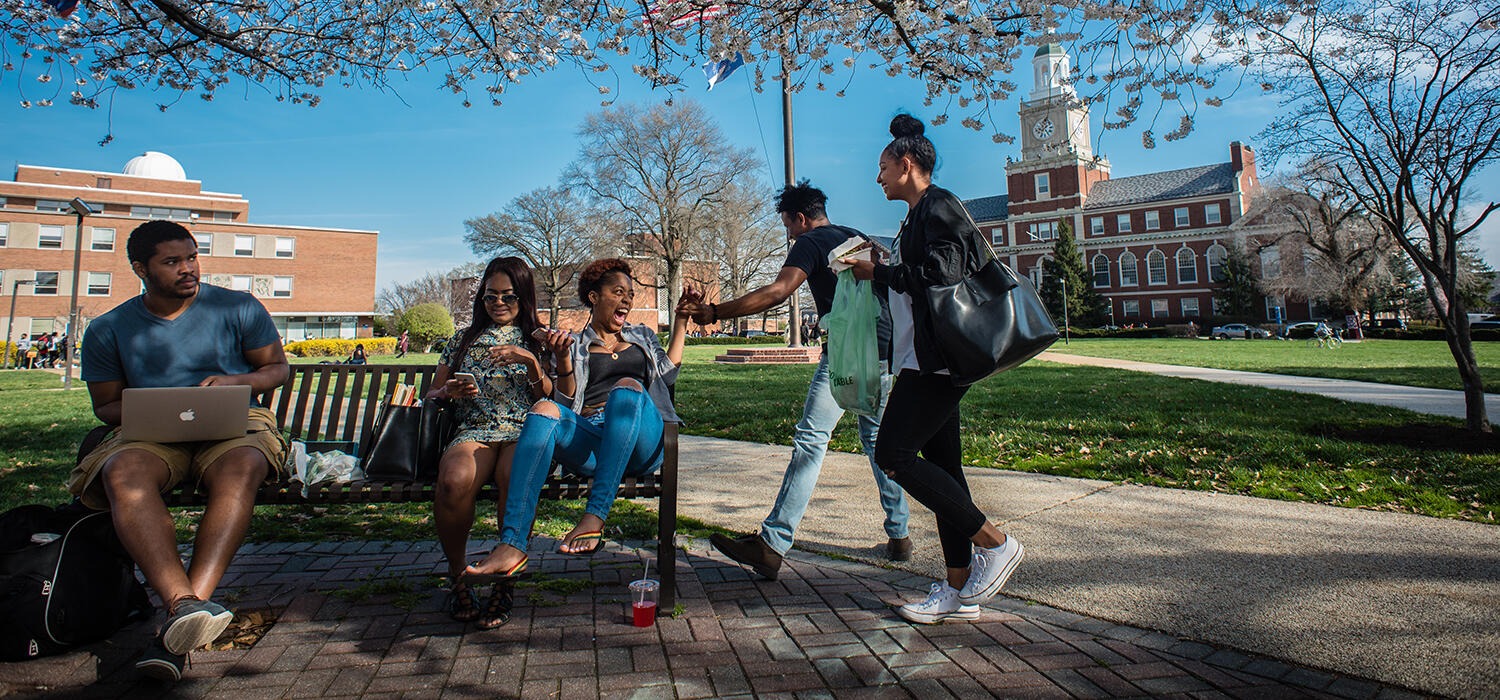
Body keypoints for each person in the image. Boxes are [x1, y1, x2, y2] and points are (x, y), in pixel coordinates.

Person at [69, 220, 290, 679]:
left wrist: (235, 382)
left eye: (191, 257)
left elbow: (275, 369)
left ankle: (182, 611)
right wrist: (155, 406)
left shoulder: (239, 307)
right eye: (172, 262)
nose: (188, 269)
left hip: (233, 422)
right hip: (150, 431)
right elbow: (106, 406)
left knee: (243, 465)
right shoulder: (109, 328)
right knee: (122, 472)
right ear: (140, 268)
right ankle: (185, 606)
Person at [679, 181, 911, 580]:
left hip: (846, 354)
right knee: (876, 442)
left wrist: (714, 311)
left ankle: (772, 544)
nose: (788, 234)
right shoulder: (856, 237)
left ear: (800, 219)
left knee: (810, 440)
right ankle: (900, 534)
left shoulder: (810, 242)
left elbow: (778, 291)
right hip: (884, 350)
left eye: (788, 225)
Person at [844, 114, 1024, 625]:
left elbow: (941, 274)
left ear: (906, 165)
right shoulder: (918, 214)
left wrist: (878, 269)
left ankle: (995, 542)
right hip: (923, 356)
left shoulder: (939, 205)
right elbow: (918, 276)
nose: (877, 178)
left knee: (894, 453)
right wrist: (879, 265)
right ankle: (958, 587)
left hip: (938, 362)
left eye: (882, 168)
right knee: (945, 470)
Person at [463, 258, 693, 583]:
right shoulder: (573, 343)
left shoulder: (641, 335)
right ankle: (512, 544)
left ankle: (594, 516)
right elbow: (565, 402)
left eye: (630, 293)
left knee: (625, 389)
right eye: (618, 291)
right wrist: (561, 358)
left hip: (644, 437)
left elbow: (667, 373)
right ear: (595, 297)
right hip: (595, 441)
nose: (627, 299)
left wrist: (681, 320)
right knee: (543, 410)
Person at [426, 256, 552, 629]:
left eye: (508, 297)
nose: (498, 304)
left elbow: (551, 399)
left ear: (524, 298)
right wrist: (447, 390)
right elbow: (432, 392)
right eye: (490, 297)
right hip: (475, 430)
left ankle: (503, 580)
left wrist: (531, 362)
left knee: (516, 479)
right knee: (453, 480)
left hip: (524, 430)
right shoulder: (462, 340)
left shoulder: (540, 338)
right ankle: (459, 575)